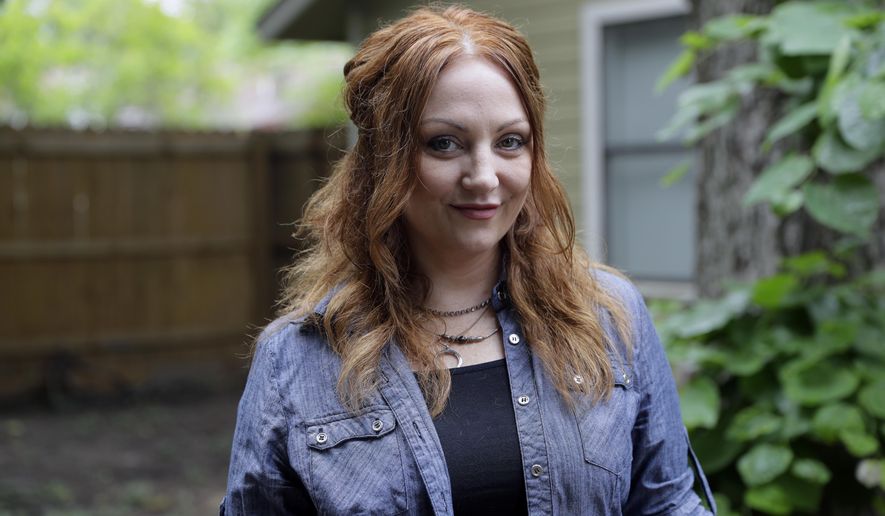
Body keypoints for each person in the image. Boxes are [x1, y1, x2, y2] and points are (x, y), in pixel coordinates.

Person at [222, 5, 715, 515]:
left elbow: (667, 504)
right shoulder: (298, 361)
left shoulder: (609, 317)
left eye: (509, 142)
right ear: (383, 160)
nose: (484, 176)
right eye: (445, 143)